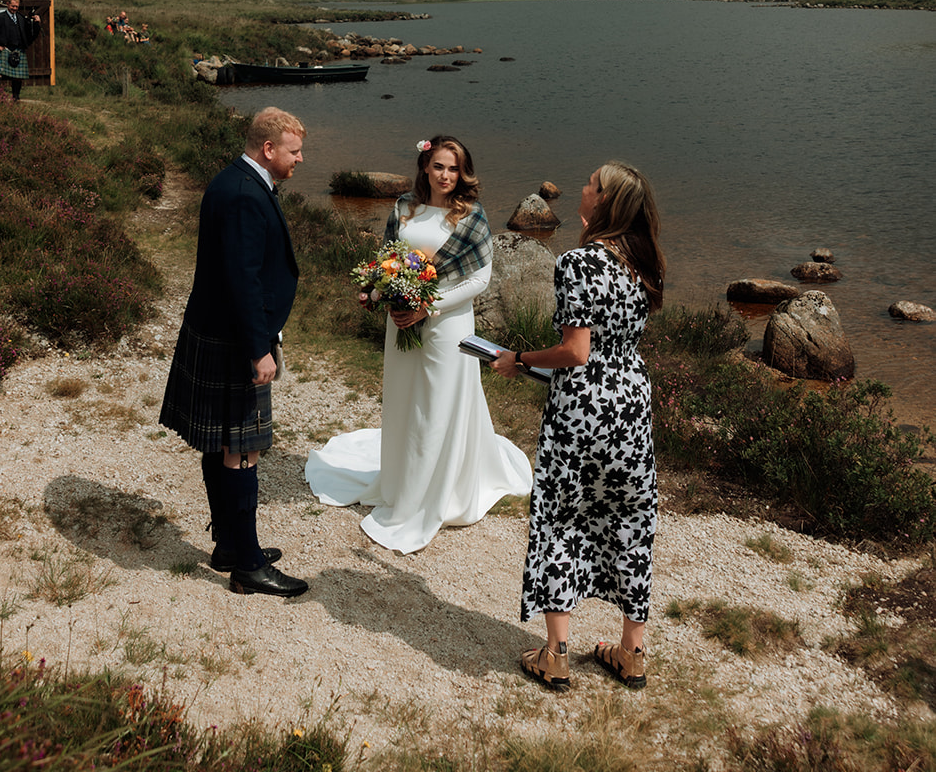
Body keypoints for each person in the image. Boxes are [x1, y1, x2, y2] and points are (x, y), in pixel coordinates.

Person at [305, 135, 531, 553]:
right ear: (425, 166)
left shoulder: (472, 215)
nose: (446, 176)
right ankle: (400, 482)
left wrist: (429, 307)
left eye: (454, 169)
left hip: (446, 324)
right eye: (439, 166)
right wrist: (375, 293)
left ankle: (431, 494)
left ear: (463, 173)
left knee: (436, 405)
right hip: (401, 322)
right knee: (404, 400)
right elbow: (386, 260)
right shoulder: (403, 207)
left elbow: (479, 279)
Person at [492, 160, 664, 693]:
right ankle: (632, 653)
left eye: (590, 185)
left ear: (603, 202)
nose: (581, 189)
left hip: (583, 410)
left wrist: (519, 356)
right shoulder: (644, 260)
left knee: (562, 516)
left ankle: (556, 653)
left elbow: (575, 351)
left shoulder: (578, 262)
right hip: (632, 403)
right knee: (631, 519)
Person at [159, 107, 309, 598]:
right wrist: (259, 348)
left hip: (216, 331)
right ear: (268, 149)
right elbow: (243, 280)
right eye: (294, 151)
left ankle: (228, 544)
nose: (300, 159)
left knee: (220, 442)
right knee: (242, 449)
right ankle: (247, 564)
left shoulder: (231, 180)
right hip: (234, 340)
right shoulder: (246, 194)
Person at [0, 0, 41, 100]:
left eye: (17, 6)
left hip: (19, 50)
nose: (15, 8)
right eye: (13, 6)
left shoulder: (21, 18)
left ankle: (16, 98)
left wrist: (37, 23)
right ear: (7, 4)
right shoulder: (0, 17)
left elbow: (31, 35)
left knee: (18, 77)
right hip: (5, 49)